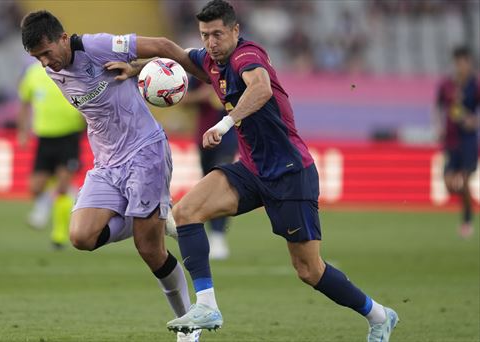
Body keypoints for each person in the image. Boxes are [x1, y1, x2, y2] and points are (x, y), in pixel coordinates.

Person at [111, 1, 398, 341]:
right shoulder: (211, 60)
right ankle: (206, 305)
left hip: (290, 173)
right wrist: (139, 68)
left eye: (218, 34)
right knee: (186, 212)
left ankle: (379, 315)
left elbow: (259, 88)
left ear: (235, 31)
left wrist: (225, 123)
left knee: (309, 270)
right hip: (251, 169)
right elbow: (180, 56)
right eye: (205, 35)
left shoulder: (247, 56)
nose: (211, 42)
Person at [20, 10, 207, 342]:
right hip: (106, 163)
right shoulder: (51, 69)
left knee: (149, 250)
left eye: (48, 52)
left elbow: (162, 44)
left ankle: (188, 323)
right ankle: (160, 218)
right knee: (81, 237)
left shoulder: (99, 46)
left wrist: (204, 73)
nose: (46, 62)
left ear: (64, 38)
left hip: (144, 151)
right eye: (38, 58)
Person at [17, 60, 86, 248]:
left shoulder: (72, 68)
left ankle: (59, 235)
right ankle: (74, 196)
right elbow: (25, 102)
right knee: (36, 187)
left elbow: (87, 95)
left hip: (69, 135)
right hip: (44, 136)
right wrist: (23, 131)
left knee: (62, 187)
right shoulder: (32, 73)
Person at [182, 77, 237, 260]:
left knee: (221, 185)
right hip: (204, 139)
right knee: (207, 186)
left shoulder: (235, 72)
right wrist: (202, 96)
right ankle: (212, 235)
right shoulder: (200, 73)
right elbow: (183, 99)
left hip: (228, 139)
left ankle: (218, 236)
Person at [435, 45, 479, 238]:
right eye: (458, 62)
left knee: (465, 179)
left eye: (464, 62)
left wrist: (475, 121)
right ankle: (465, 208)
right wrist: (437, 125)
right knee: (449, 182)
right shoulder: (446, 85)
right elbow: (437, 107)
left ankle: (467, 220)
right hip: (451, 140)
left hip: (468, 140)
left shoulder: (475, 85)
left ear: (469, 63)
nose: (461, 66)